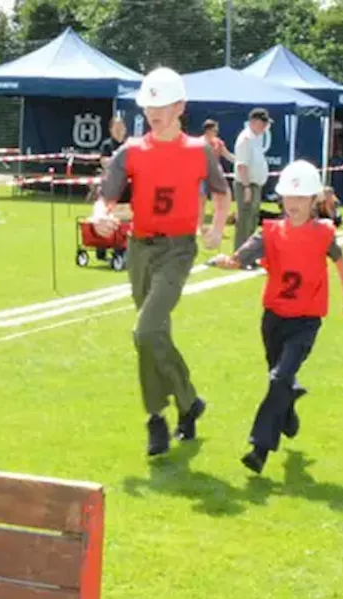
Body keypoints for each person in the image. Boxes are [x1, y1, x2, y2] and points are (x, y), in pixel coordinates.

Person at [91, 67, 230, 456]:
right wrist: (101, 215)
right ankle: (187, 405)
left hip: (179, 249)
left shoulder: (199, 150)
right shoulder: (131, 151)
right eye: (149, 105)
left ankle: (156, 417)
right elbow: (107, 195)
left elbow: (222, 193)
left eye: (162, 105)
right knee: (153, 336)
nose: (154, 112)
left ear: (180, 107)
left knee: (145, 331)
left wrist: (217, 229)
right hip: (139, 248)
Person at [208, 161, 343, 473]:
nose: (293, 205)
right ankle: (288, 408)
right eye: (288, 199)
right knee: (279, 380)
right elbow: (242, 257)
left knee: (279, 377)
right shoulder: (270, 233)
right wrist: (227, 260)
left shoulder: (323, 234)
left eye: (301, 199)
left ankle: (259, 448)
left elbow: (342, 263)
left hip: (305, 322)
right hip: (273, 319)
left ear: (313, 201)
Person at [233, 108, 271, 250]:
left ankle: (249, 253)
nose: (265, 127)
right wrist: (247, 187)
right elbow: (242, 165)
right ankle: (240, 254)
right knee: (245, 221)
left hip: (255, 184)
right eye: (263, 123)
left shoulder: (255, 139)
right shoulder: (246, 139)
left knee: (252, 220)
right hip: (246, 184)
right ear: (254, 122)